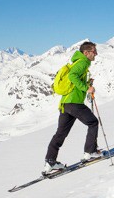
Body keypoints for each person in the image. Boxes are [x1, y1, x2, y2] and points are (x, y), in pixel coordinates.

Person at [43, 41, 104, 174]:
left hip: (65, 104)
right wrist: (87, 88)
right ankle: (90, 152)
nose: (96, 54)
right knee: (93, 122)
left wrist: (86, 82)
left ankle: (50, 162)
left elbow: (74, 79)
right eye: (94, 51)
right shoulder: (82, 63)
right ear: (86, 53)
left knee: (60, 134)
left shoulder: (77, 62)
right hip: (74, 103)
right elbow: (72, 76)